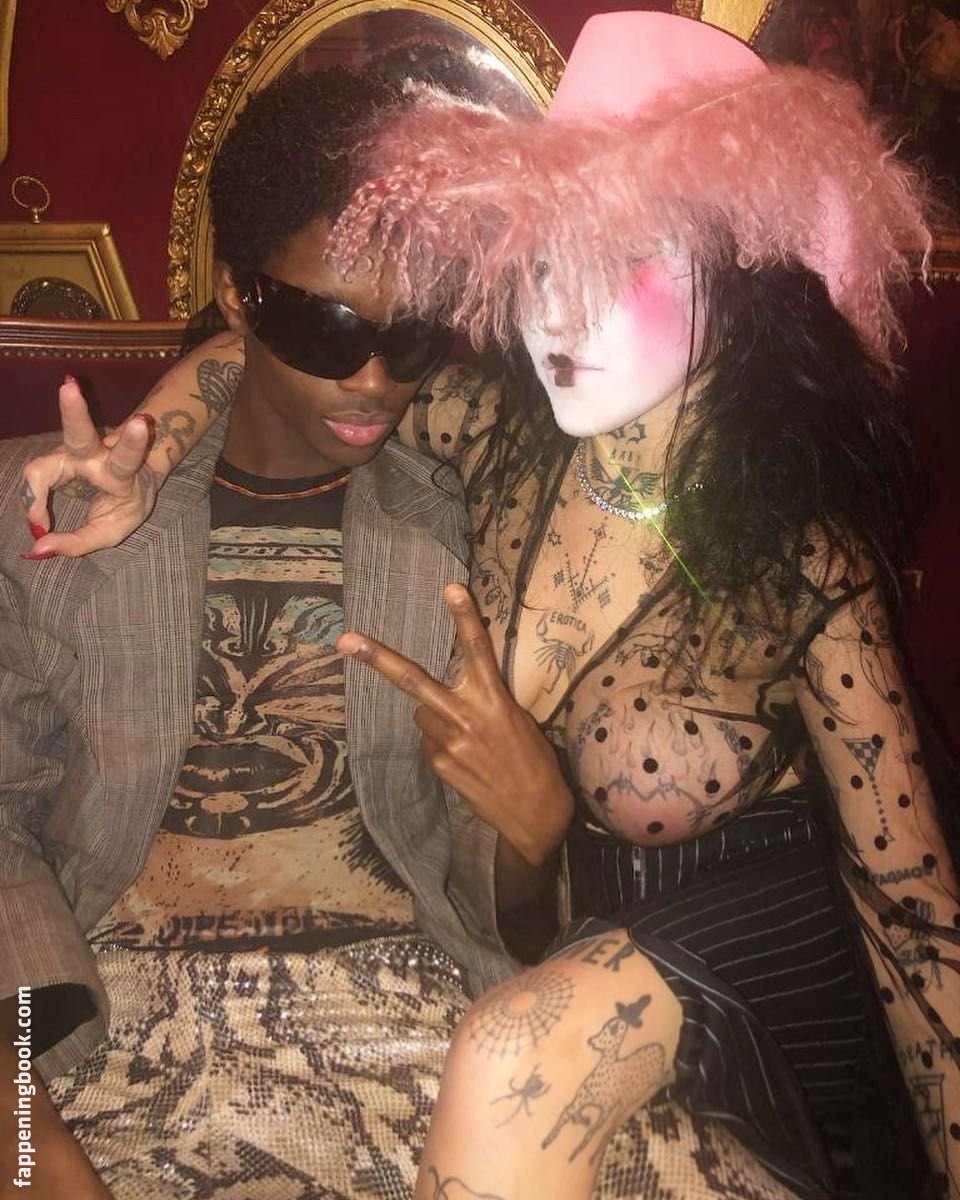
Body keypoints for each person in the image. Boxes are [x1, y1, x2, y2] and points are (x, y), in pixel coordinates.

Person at [16, 11, 959, 1200]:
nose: (556, 314)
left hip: (725, 951)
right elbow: (277, 351)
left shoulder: (789, 550)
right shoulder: (494, 440)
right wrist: (145, 453)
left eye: (617, 261)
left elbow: (908, 908)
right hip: (529, 956)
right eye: (540, 265)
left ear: (742, 276)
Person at [0, 64, 517, 1200]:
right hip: (105, 1017)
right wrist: (20, 1130)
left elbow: (502, 891)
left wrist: (542, 828)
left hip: (413, 1017)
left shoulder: (465, 508)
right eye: (326, 327)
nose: (373, 379)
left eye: (409, 336)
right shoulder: (42, 506)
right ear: (238, 296)